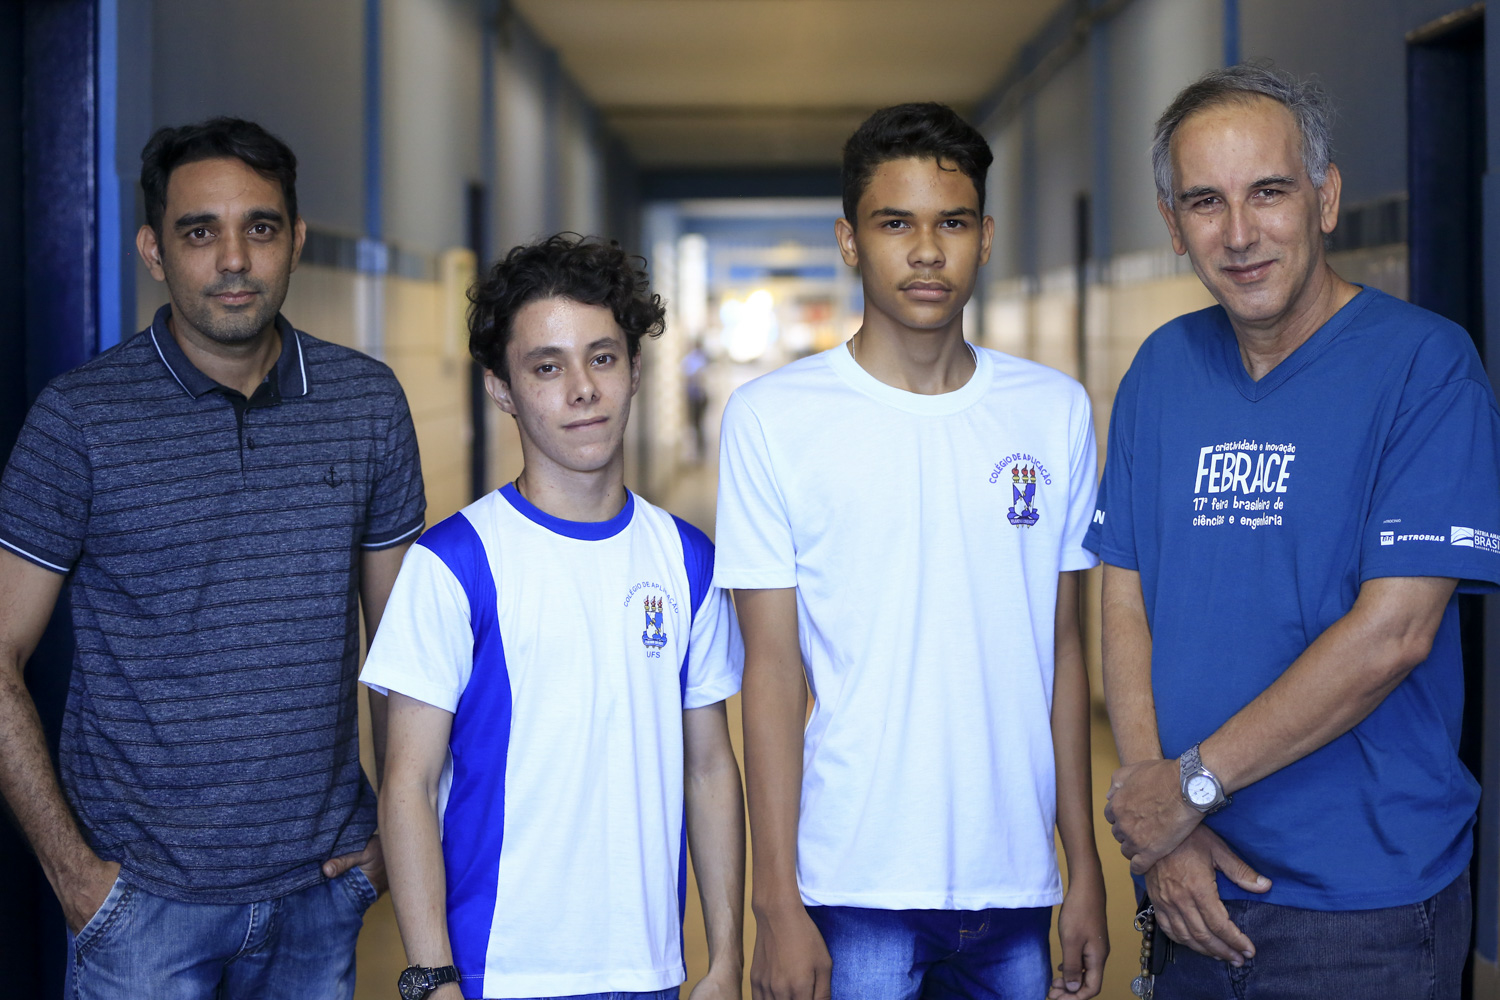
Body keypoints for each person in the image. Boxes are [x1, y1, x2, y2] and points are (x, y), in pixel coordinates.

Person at [1090, 64, 1500, 999]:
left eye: (1268, 192)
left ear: (1325, 198)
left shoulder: (1426, 367)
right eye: (1206, 202)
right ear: (1172, 223)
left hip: (1364, 909)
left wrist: (1186, 791)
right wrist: (1164, 826)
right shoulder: (1161, 370)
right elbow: (1124, 598)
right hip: (1188, 882)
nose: (1239, 234)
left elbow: (1396, 633)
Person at [0, 117, 425, 998]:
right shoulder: (80, 419)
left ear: (296, 241)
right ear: (154, 249)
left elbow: (403, 649)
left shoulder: (366, 403)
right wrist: (76, 878)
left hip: (319, 898)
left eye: (260, 227)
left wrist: (393, 837)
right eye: (201, 231)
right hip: (142, 912)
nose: (234, 258)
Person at [714, 102, 1109, 1000]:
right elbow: (770, 676)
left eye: (952, 223)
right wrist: (774, 899)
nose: (926, 251)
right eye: (896, 224)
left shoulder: (1055, 414)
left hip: (1015, 882)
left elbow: (1062, 653)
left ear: (986, 236)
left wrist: (1080, 866)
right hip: (855, 881)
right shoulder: (775, 420)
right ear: (851, 241)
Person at [365, 234, 746, 1000]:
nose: (582, 390)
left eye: (602, 358)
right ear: (502, 389)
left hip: (649, 973)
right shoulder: (453, 566)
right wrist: (431, 977)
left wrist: (727, 958)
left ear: (636, 372)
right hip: (494, 975)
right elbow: (406, 783)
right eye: (547, 367)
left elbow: (709, 769)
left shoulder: (688, 561)